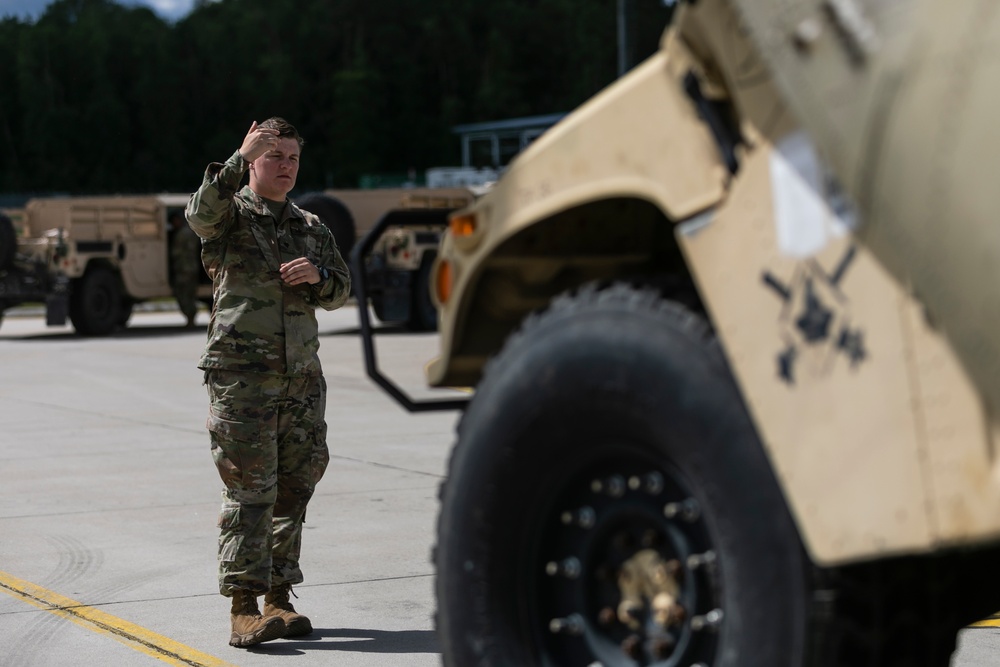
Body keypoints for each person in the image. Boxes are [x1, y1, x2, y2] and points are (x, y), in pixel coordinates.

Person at [185, 117, 351, 648]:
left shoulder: (311, 226)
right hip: (242, 379)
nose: (285, 166)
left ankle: (280, 598)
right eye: (273, 155)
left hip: (301, 380)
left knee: (295, 488)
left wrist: (319, 278)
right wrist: (235, 157)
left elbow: (341, 288)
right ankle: (243, 606)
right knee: (249, 489)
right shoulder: (230, 216)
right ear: (253, 160)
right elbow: (198, 214)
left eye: (293, 158)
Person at [169, 211, 201, 327]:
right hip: (189, 268)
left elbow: (177, 253)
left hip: (185, 269)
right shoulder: (189, 232)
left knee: (185, 295)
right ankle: (190, 318)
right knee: (188, 294)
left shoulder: (183, 234)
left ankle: (190, 318)